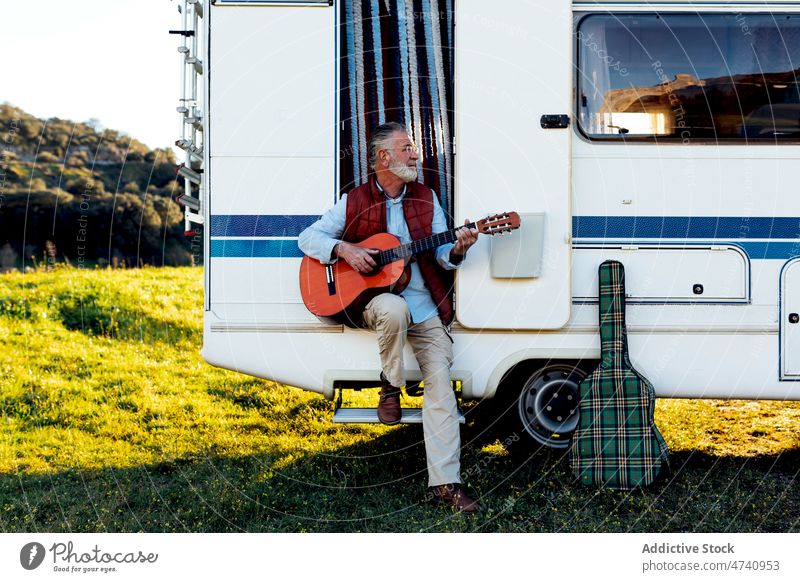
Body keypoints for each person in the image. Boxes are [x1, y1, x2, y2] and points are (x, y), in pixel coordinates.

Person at [298, 122, 480, 513]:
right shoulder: (355, 199)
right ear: (384, 157)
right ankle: (391, 386)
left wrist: (461, 246)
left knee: (442, 392)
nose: (415, 155)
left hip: (425, 307)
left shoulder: (427, 198)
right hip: (376, 305)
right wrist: (344, 250)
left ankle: (446, 484)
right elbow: (307, 238)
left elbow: (443, 254)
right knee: (393, 308)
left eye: (413, 148)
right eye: (407, 148)